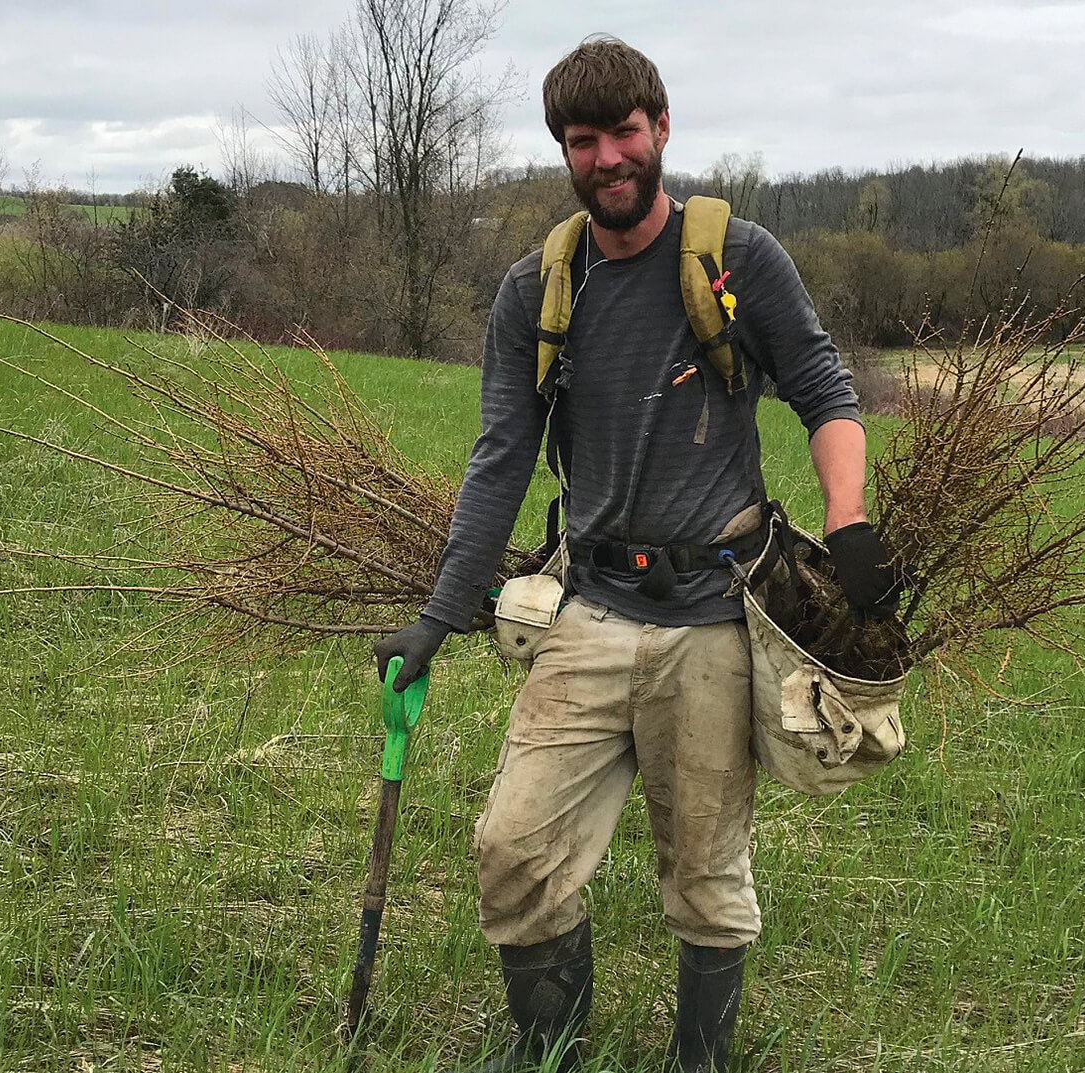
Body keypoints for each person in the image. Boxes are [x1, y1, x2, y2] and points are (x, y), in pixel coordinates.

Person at [375, 35, 895, 1073]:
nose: (608, 157)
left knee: (705, 872)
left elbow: (828, 395)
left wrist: (849, 528)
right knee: (512, 851)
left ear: (661, 129)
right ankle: (551, 1045)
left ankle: (697, 1057)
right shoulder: (538, 292)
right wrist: (438, 614)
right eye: (584, 140)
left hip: (712, 614)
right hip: (590, 610)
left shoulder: (737, 262)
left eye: (624, 132)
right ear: (564, 152)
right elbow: (500, 458)